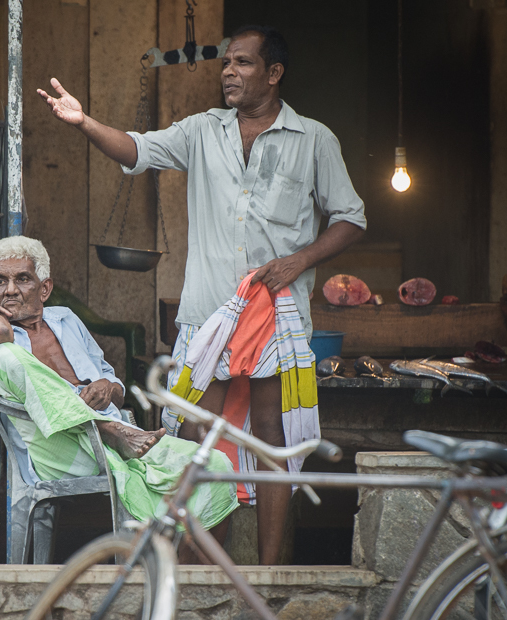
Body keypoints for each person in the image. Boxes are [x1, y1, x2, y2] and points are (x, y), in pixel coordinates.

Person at [37, 25, 366, 564]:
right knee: (194, 435)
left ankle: (266, 572)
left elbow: (351, 218)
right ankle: (195, 567)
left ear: (274, 72)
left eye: (242, 63)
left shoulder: (315, 140)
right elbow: (137, 150)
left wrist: (300, 260)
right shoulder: (201, 130)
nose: (228, 73)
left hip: (278, 314)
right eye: (225, 64)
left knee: (270, 437)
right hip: (210, 312)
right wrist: (85, 122)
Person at [0, 235, 238, 560]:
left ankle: (184, 588)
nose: (9, 290)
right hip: (56, 448)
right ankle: (108, 430)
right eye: (0, 282)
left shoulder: (67, 320)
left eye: (22, 279)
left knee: (217, 467)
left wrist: (108, 387)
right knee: (6, 355)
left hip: (119, 434)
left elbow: (117, 388)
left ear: (44, 289)